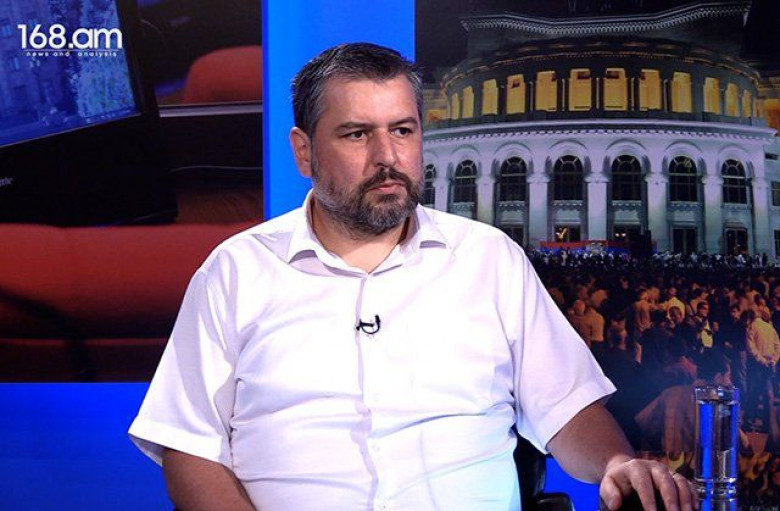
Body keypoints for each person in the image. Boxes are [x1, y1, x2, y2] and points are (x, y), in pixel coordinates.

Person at [128, 43, 696, 511]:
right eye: (357, 134)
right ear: (303, 152)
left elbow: (569, 409)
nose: (387, 156)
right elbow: (188, 447)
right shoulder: (236, 270)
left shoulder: (488, 259)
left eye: (402, 130)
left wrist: (616, 463)